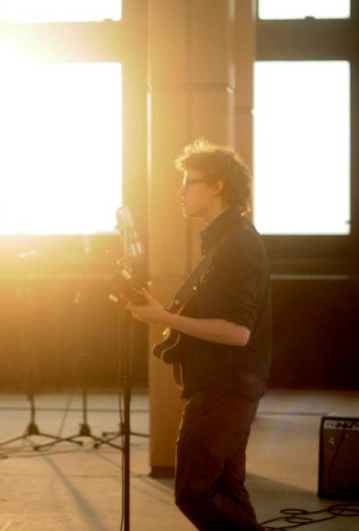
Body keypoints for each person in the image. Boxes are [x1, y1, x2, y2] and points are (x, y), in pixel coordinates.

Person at [128, 139, 272, 530]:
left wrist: (164, 318)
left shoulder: (237, 245)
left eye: (189, 182)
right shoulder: (226, 241)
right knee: (227, 487)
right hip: (226, 385)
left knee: (193, 491)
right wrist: (162, 313)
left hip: (223, 387)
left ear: (217, 186)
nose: (180, 191)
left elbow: (237, 332)